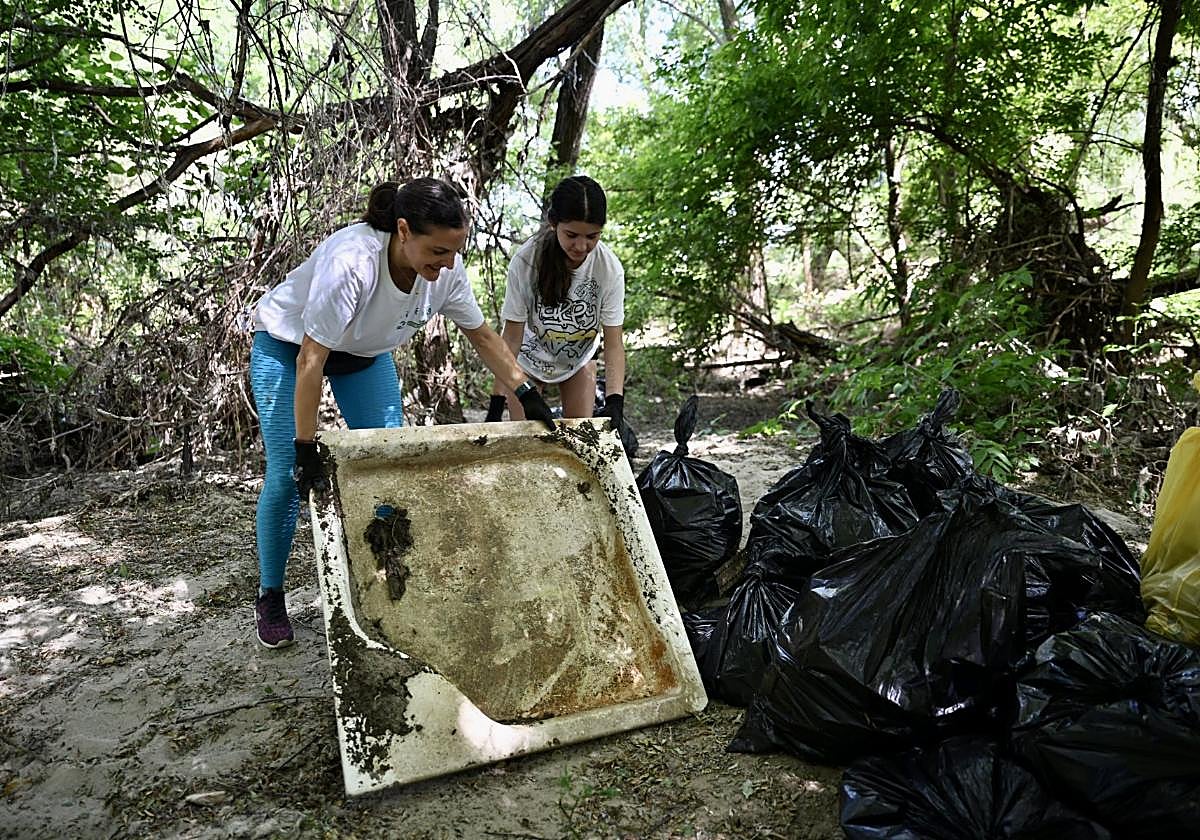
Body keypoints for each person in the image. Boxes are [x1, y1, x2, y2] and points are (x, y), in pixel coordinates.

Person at [248, 178, 554, 649]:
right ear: (404, 231)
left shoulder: (446, 271)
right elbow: (311, 361)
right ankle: (271, 595)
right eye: (438, 251)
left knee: (389, 463)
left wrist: (525, 392)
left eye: (455, 251)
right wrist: (305, 448)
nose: (448, 263)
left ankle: (390, 576)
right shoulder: (352, 263)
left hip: (363, 355)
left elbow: (483, 336)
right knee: (288, 476)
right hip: (289, 348)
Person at [485, 175, 626, 436]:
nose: (581, 246)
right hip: (527, 362)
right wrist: (497, 401)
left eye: (592, 236)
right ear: (553, 224)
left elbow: (614, 342)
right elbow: (512, 337)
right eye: (571, 235)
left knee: (579, 440)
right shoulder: (526, 262)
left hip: (577, 361)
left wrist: (615, 401)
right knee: (529, 440)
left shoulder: (608, 270)